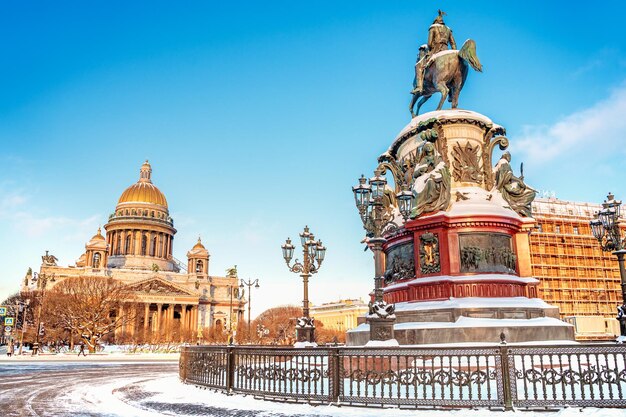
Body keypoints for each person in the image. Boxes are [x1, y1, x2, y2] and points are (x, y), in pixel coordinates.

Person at [412, 10, 457, 95]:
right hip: (446, 51)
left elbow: (429, 43)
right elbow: (453, 44)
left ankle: (419, 87)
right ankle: (451, 91)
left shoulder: (433, 28)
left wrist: (430, 49)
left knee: (418, 66)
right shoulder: (448, 30)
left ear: (435, 22)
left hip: (435, 51)